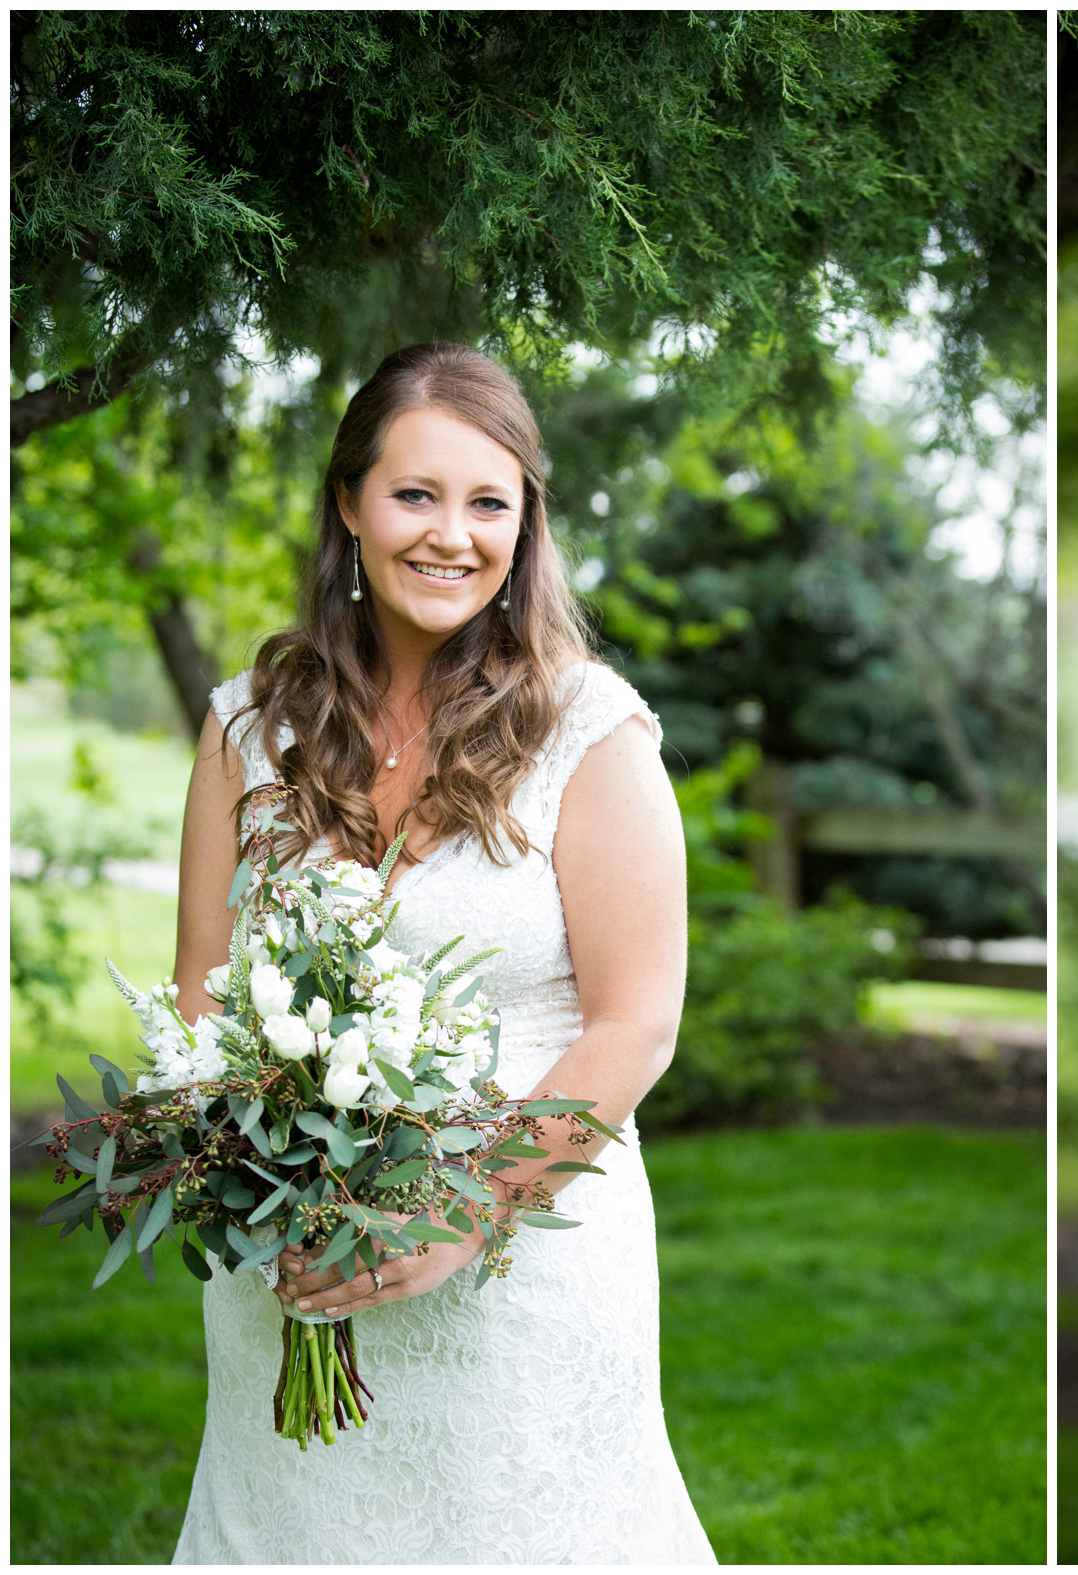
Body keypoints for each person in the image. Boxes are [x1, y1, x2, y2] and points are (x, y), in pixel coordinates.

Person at [167, 342, 715, 1563]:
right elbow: (201, 990)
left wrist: (464, 1212)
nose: (450, 535)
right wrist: (254, 1187)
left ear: (525, 527)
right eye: (415, 494)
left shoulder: (592, 730)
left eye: (489, 503)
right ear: (350, 505)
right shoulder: (247, 729)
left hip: (524, 1277)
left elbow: (636, 1022)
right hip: (288, 1266)